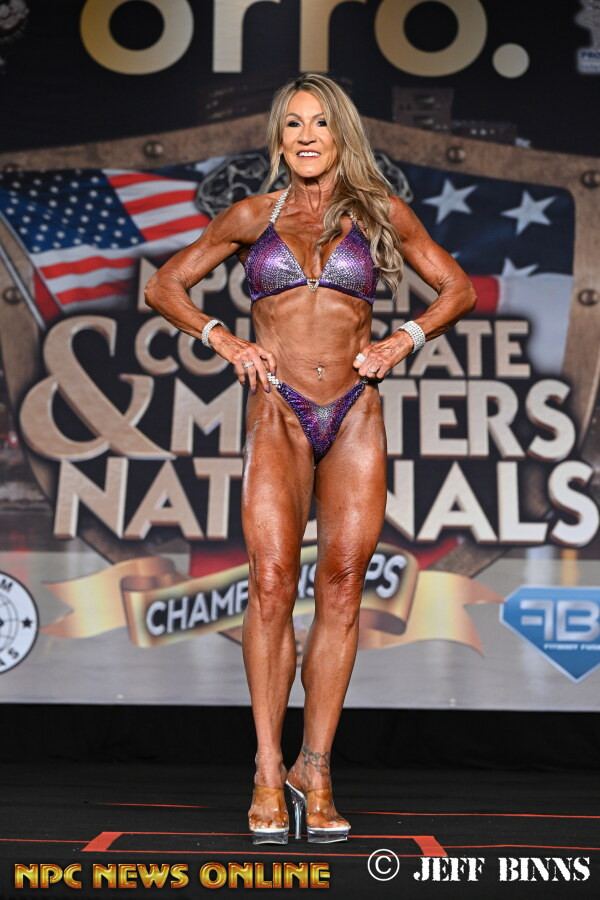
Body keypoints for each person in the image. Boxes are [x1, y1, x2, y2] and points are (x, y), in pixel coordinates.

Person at [144, 73, 477, 844]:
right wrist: (224, 340)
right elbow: (165, 285)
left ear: (341, 134)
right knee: (269, 582)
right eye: (292, 123)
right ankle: (268, 767)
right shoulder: (251, 216)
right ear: (278, 137)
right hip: (278, 412)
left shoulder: (381, 212)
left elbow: (456, 289)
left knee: (344, 586)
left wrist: (402, 340)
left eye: (320, 123)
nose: (305, 136)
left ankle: (314, 769)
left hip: (354, 413)